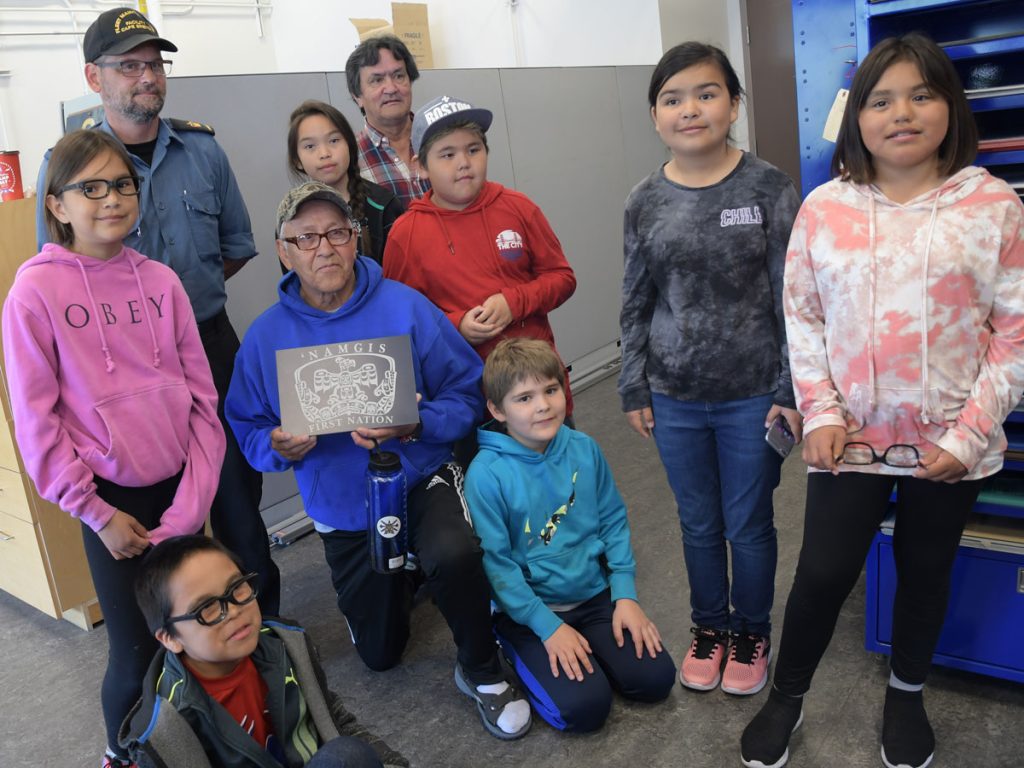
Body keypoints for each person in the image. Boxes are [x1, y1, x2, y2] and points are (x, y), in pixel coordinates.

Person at [740, 32, 1024, 768]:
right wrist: (823, 412)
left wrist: (968, 435)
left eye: (922, 94)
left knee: (927, 571)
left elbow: (1015, 332)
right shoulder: (825, 208)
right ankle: (787, 698)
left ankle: (906, 695)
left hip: (951, 443)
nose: (901, 113)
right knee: (825, 573)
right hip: (850, 438)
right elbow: (801, 317)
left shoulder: (993, 205)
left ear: (950, 108)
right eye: (880, 98)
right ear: (856, 116)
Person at [224, 181, 532, 741]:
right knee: (381, 655)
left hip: (419, 474)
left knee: (455, 551)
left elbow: (467, 394)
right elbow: (244, 427)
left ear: (356, 237)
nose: (325, 248)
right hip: (343, 503)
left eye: (338, 232)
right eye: (307, 237)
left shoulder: (405, 305)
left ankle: (482, 670)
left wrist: (418, 424)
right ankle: (396, 582)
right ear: (283, 249)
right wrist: (275, 446)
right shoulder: (267, 336)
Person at [34, 7, 280, 617]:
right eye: (129, 66)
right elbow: (63, 271)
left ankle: (265, 637)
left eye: (154, 64)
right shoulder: (67, 164)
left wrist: (166, 307)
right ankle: (178, 648)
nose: (146, 77)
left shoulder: (202, 151)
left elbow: (235, 247)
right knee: (156, 529)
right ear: (95, 77)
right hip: (120, 377)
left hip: (210, 346)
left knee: (238, 511)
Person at [4, 129, 226, 768]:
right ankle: (121, 754)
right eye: (91, 187)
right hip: (112, 505)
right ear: (57, 204)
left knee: (194, 635)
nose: (111, 199)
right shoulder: (34, 292)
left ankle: (199, 747)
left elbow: (202, 404)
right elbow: (36, 420)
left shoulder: (160, 280)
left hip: (181, 492)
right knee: (135, 651)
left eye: (123, 185)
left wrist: (188, 509)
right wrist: (95, 513)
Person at [618, 42, 801, 698]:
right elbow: (636, 297)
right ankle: (710, 628)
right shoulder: (644, 199)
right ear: (655, 115)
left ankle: (752, 631)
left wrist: (790, 388)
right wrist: (633, 383)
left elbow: (795, 299)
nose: (689, 109)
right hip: (674, 395)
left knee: (748, 521)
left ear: (733, 104)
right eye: (672, 98)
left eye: (705, 93)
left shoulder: (769, 188)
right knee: (697, 522)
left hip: (754, 395)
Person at [465, 339, 676, 733]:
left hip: (593, 596)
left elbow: (613, 520)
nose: (543, 405)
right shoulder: (486, 474)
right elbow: (497, 565)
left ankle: (590, 650)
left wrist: (625, 594)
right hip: (529, 611)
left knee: (655, 680)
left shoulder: (584, 448)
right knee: (584, 710)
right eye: (524, 398)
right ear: (497, 410)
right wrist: (547, 628)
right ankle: (510, 648)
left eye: (551, 389)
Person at [122, 535, 409, 768]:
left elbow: (335, 720)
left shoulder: (283, 644)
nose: (234, 611)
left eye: (237, 588)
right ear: (170, 638)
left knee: (348, 754)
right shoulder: (166, 726)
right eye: (206, 608)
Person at [382, 95, 577, 413]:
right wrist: (456, 325)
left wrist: (513, 303)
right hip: (465, 400)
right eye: (447, 154)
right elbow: (399, 320)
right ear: (419, 167)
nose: (463, 162)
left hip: (539, 388)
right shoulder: (405, 234)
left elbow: (562, 278)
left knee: (562, 462)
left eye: (473, 149)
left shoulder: (519, 208)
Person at [285, 99, 404, 266]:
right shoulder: (290, 216)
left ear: (350, 145)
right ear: (297, 160)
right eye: (310, 146)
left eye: (333, 141)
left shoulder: (384, 205)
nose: (325, 153)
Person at [345, 35, 429, 206]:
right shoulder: (348, 159)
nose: (391, 88)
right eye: (377, 80)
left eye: (399, 76)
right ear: (357, 97)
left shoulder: (439, 138)